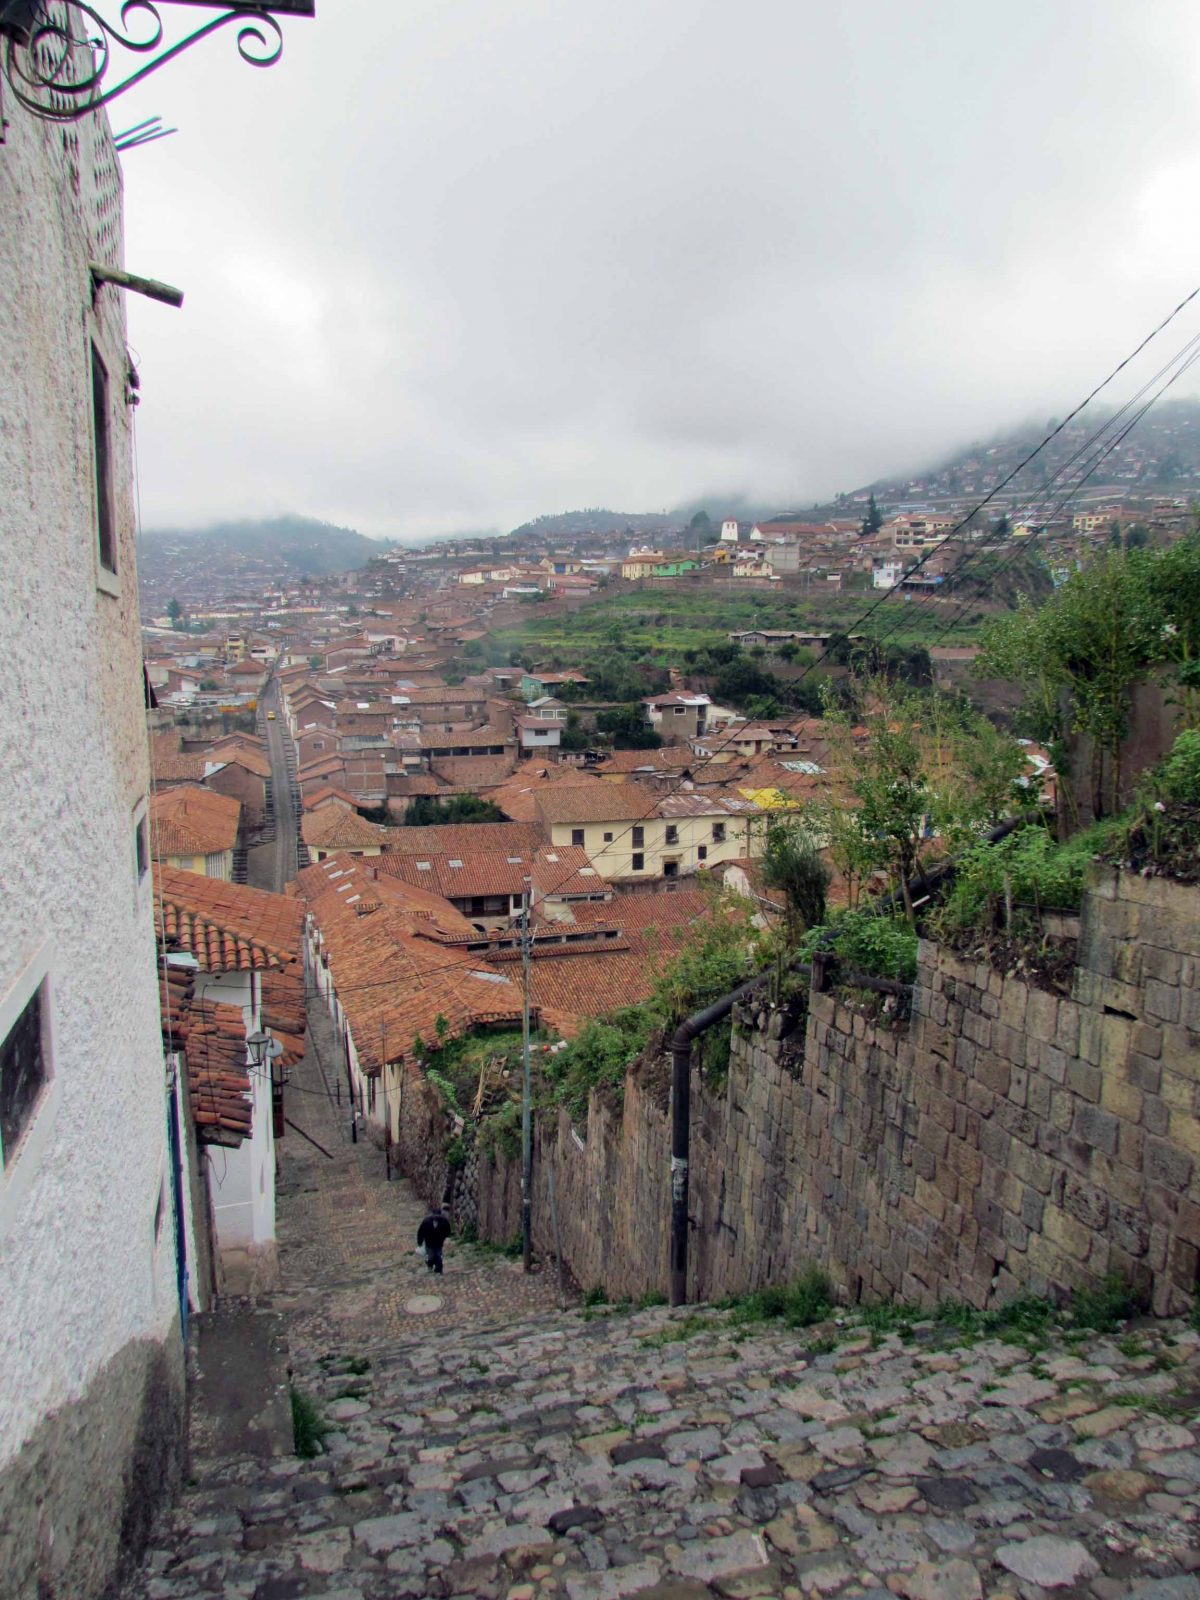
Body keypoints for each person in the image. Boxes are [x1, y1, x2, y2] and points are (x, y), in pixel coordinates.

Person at [417, 1205, 451, 1275]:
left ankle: (438, 1268)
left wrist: (420, 1241)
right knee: (432, 1256)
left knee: (437, 1255)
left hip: (435, 1242)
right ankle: (432, 1264)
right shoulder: (428, 1221)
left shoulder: (441, 1221)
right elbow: (421, 1231)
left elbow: (421, 1231)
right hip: (432, 1242)